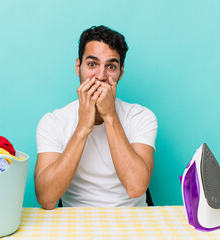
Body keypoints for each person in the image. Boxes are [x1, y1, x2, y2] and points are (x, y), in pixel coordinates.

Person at [35, 25, 158, 210]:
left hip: (133, 220)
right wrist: (83, 128)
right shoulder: (53, 122)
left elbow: (136, 188)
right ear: (78, 67)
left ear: (120, 73)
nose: (101, 76)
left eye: (111, 66)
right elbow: (46, 198)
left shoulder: (141, 117)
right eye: (92, 64)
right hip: (75, 222)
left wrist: (110, 117)